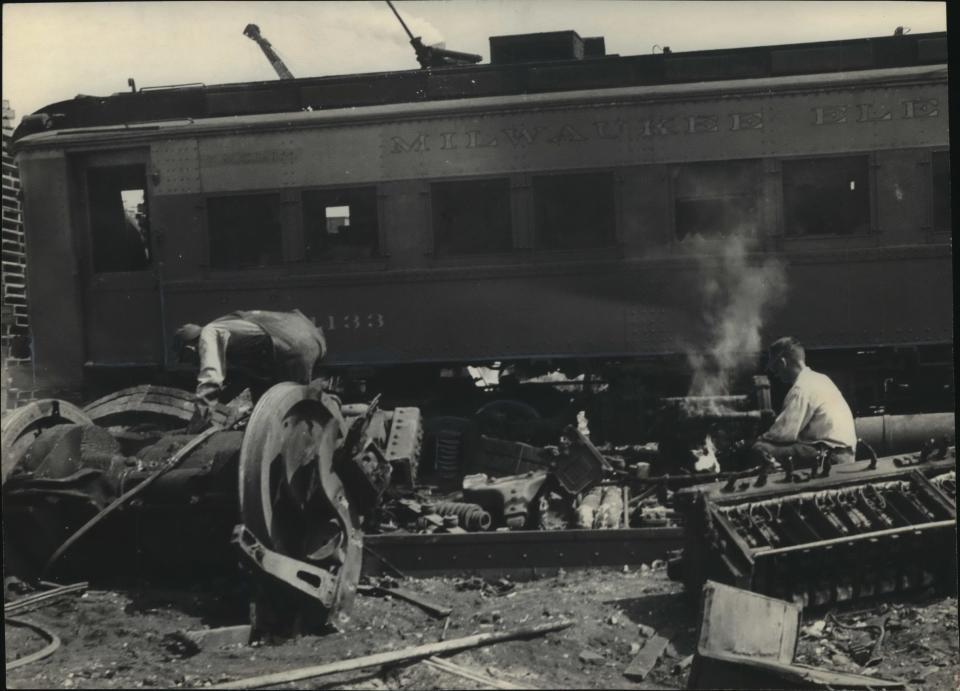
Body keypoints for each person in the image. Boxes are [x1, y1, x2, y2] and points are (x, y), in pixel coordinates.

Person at [174, 309, 327, 430]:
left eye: (190, 360)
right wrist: (220, 404)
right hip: (311, 339)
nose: (194, 365)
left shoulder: (210, 332)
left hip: (291, 346)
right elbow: (245, 378)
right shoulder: (232, 329)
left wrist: (201, 416)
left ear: (190, 348)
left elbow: (211, 376)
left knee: (288, 418)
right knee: (289, 408)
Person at [752, 336, 857, 471]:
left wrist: (757, 440)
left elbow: (783, 434)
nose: (775, 374)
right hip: (844, 454)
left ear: (783, 362)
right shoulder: (820, 378)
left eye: (774, 368)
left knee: (761, 448)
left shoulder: (801, 388)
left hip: (830, 458)